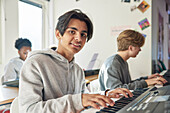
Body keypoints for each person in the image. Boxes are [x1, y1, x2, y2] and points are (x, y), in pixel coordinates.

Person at [18, 9, 133, 113]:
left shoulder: (77, 70)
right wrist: (79, 100)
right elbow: (30, 110)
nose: (79, 38)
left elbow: (81, 99)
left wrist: (106, 94)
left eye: (83, 34)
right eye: (72, 32)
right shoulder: (35, 63)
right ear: (58, 34)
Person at [99, 29, 167, 91]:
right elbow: (116, 90)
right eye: (139, 47)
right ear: (131, 48)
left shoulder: (123, 62)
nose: (140, 50)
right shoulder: (113, 63)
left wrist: (147, 78)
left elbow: (127, 84)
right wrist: (146, 83)